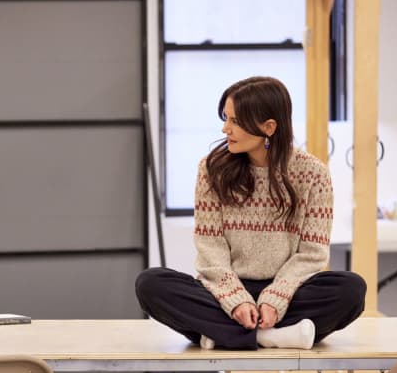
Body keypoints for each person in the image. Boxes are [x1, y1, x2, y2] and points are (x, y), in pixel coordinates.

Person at [135, 76, 366, 350]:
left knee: (351, 289)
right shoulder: (211, 170)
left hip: (289, 290)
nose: (225, 129)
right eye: (226, 118)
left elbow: (312, 253)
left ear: (268, 127)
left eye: (234, 121)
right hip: (225, 291)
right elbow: (211, 246)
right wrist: (235, 300)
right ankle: (271, 337)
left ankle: (221, 334)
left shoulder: (313, 174)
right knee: (151, 284)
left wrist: (275, 298)